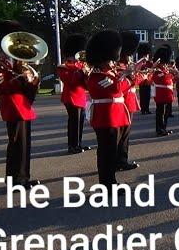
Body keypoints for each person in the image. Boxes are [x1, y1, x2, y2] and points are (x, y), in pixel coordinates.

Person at [0, 20, 41, 189]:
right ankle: (14, 180)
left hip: (23, 107)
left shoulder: (15, 64)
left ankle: (23, 177)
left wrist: (31, 79)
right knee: (16, 145)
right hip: (12, 107)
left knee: (24, 145)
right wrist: (19, 79)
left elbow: (29, 84)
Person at [85, 30, 132, 191]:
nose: (113, 63)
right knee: (107, 153)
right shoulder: (97, 76)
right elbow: (115, 89)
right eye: (111, 60)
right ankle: (107, 184)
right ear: (103, 59)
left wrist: (128, 76)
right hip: (106, 117)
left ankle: (110, 181)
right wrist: (129, 77)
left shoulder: (108, 73)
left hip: (116, 116)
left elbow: (120, 88)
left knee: (111, 151)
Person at [57, 33, 91, 154]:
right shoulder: (64, 66)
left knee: (80, 121)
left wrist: (87, 74)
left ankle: (78, 143)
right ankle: (72, 146)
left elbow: (86, 84)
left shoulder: (82, 65)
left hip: (81, 97)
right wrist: (80, 71)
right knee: (74, 122)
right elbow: (70, 81)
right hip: (71, 97)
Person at [116, 31, 141, 170]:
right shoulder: (119, 65)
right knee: (120, 135)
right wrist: (130, 76)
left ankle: (122, 159)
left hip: (129, 100)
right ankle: (118, 161)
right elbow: (120, 86)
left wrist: (134, 74)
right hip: (122, 101)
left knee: (125, 134)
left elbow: (134, 81)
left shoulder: (128, 63)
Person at [152, 47, 175, 136]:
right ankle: (160, 130)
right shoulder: (158, 69)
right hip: (161, 93)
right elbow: (157, 78)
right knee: (161, 113)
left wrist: (174, 74)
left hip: (166, 93)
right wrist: (168, 73)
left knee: (165, 113)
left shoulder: (164, 69)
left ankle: (164, 128)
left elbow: (169, 79)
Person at [136, 43, 153, 114]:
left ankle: (147, 109)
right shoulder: (140, 63)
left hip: (148, 81)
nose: (147, 56)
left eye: (147, 55)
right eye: (146, 55)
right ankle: (143, 109)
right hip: (142, 81)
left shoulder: (149, 63)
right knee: (143, 96)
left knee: (148, 96)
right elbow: (137, 70)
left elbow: (152, 69)